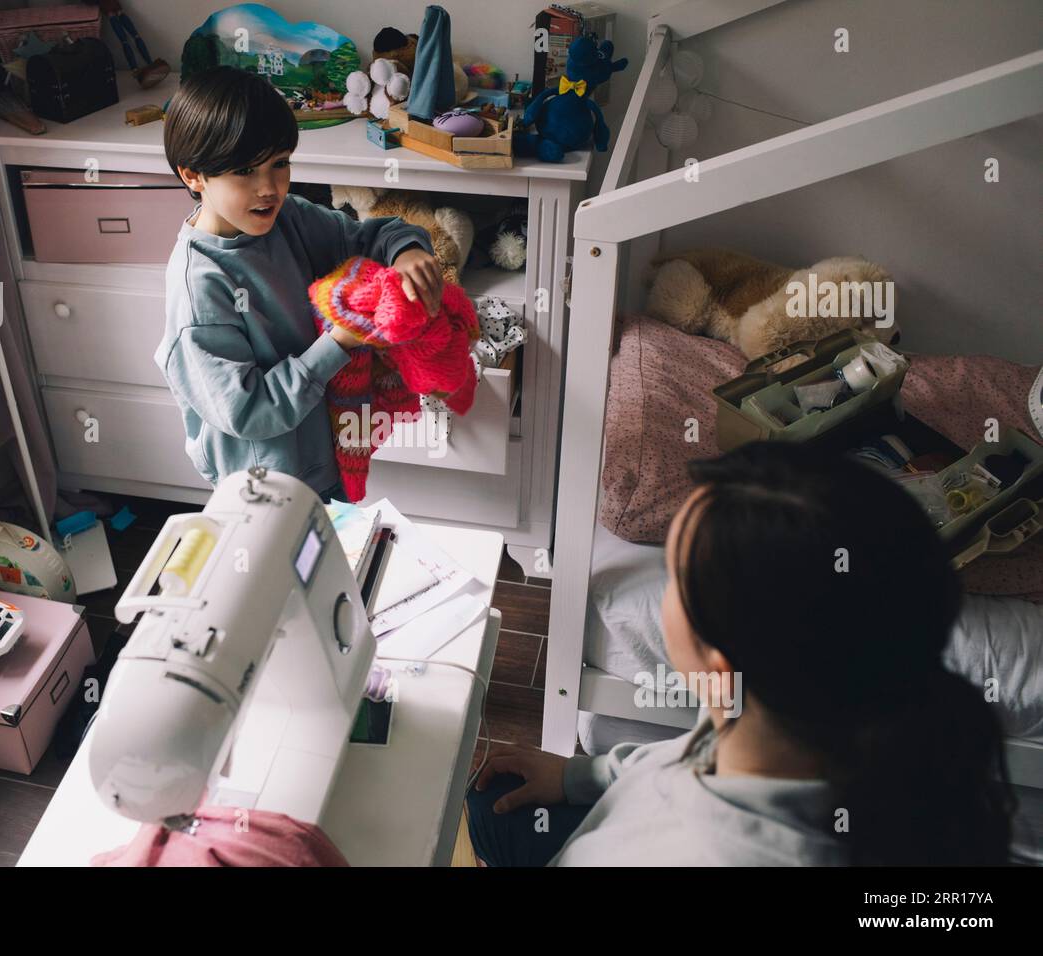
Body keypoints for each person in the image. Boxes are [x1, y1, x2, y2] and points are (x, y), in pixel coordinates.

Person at [468, 440, 1016, 866]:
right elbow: (684, 755)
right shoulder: (783, 721)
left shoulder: (670, 851)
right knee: (489, 804)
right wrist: (586, 776)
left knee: (479, 811)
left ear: (719, 667)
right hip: (631, 801)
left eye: (673, 579)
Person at [156, 66, 443, 503]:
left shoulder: (289, 217)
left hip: (323, 454)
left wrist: (407, 251)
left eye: (280, 164)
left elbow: (370, 236)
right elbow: (250, 411)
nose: (269, 188)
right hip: (261, 489)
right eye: (245, 171)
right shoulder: (200, 288)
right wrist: (340, 343)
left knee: (330, 561)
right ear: (194, 176)